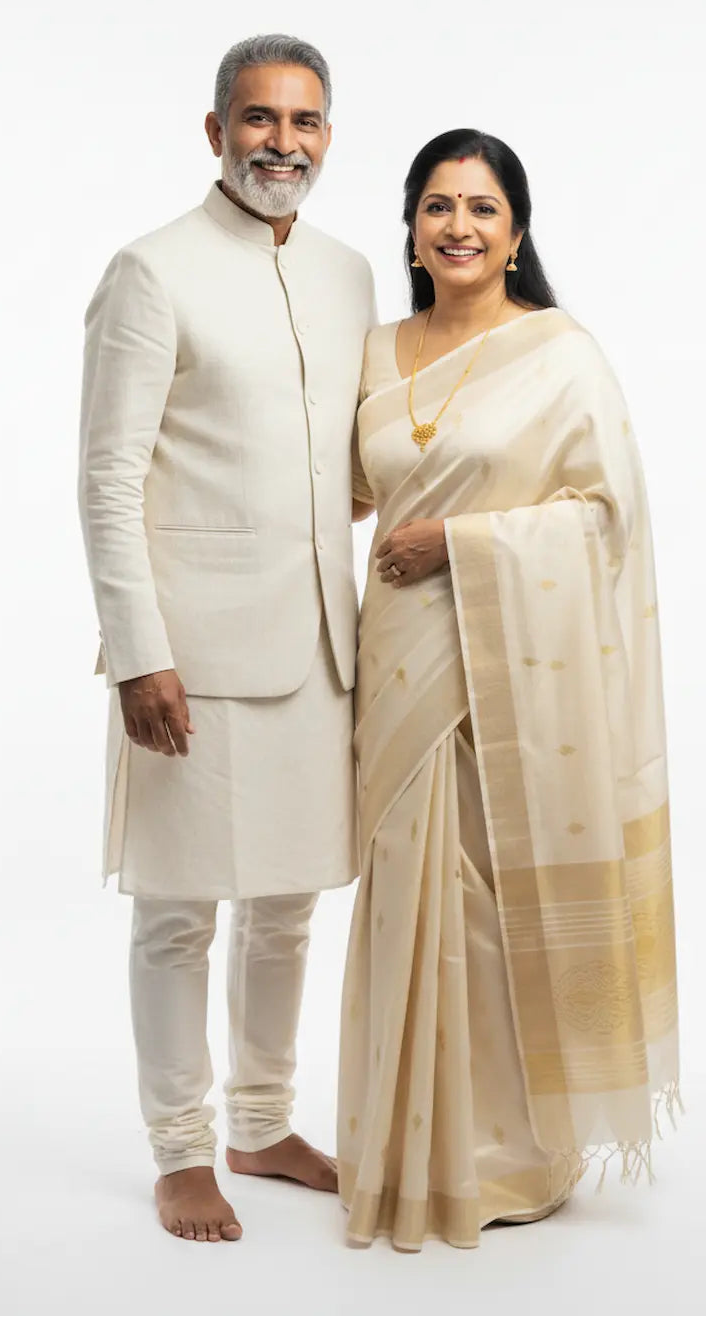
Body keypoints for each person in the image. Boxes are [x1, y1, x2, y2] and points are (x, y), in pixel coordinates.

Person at [339, 129, 680, 1251]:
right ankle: (400, 1148)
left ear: (517, 232)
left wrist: (466, 545)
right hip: (394, 663)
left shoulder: (560, 353)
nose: (459, 227)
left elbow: (604, 517)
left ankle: (503, 1157)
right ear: (412, 226)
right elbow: (335, 487)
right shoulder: (375, 350)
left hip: (504, 671)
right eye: (438, 206)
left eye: (482, 208)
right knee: (401, 898)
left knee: (485, 907)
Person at [78, 34, 376, 1243]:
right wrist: (139, 650)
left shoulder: (353, 273)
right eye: (259, 120)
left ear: (326, 136)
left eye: (304, 122)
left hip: (320, 646)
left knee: (291, 904)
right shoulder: (150, 272)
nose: (282, 143)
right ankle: (181, 1148)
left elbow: (335, 458)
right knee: (179, 910)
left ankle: (262, 1120)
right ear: (216, 133)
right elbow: (108, 476)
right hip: (189, 657)